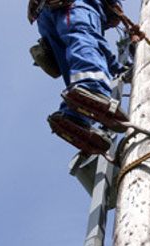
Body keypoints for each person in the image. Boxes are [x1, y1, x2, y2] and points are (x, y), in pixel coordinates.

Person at [28, 0, 129, 154]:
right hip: (71, 5)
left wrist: (120, 68)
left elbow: (98, 49)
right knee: (83, 43)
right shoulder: (88, 10)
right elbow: (92, 42)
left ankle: (74, 117)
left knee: (73, 68)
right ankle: (92, 88)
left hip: (45, 16)